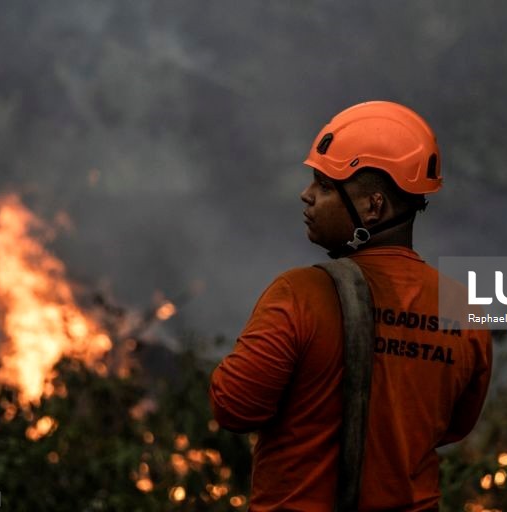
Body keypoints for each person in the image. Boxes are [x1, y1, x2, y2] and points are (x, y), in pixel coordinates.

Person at [209, 101, 492, 511]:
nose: (306, 196)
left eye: (325, 185)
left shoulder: (300, 293)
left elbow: (233, 407)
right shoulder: (464, 310)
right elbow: (453, 428)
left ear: (373, 206)